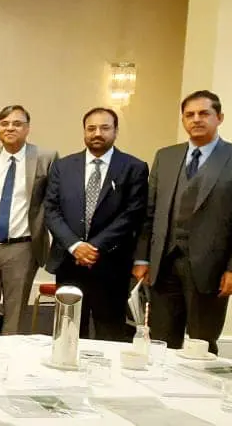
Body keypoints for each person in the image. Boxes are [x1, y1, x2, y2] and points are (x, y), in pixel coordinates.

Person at [135, 91, 232, 354]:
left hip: (210, 268)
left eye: (204, 113)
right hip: (163, 263)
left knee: (201, 345)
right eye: (189, 114)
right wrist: (142, 258)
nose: (196, 119)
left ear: (219, 117)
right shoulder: (166, 156)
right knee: (160, 343)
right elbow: (149, 212)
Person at [44, 107, 147, 341]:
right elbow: (51, 209)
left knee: (109, 333)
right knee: (68, 332)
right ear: (84, 132)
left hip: (111, 263)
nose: (97, 133)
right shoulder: (63, 166)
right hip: (69, 263)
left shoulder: (134, 167)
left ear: (116, 131)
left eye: (104, 127)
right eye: (91, 128)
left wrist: (94, 247)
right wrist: (74, 245)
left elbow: (132, 214)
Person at [0, 105, 57, 335]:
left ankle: (10, 366)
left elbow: (54, 202)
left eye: (17, 124)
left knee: (15, 316)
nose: (10, 128)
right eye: (4, 123)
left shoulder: (46, 158)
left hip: (23, 247)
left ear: (27, 128)